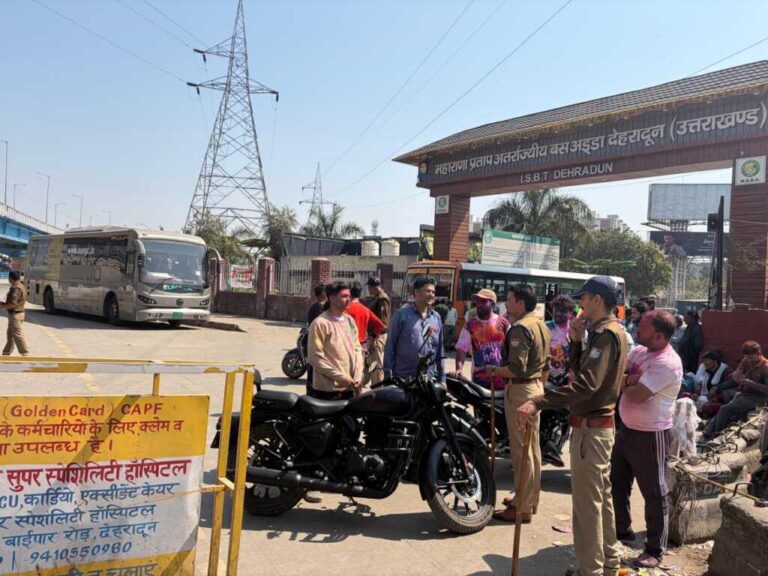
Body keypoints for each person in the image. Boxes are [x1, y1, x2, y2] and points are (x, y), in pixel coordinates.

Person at [517, 275, 628, 576]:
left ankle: (589, 570)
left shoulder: (606, 334)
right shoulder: (605, 332)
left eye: (584, 299)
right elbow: (580, 374)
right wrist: (577, 343)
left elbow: (586, 385)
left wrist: (539, 401)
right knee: (601, 500)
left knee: (587, 507)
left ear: (597, 300)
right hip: (596, 427)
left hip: (592, 429)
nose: (580, 306)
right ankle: (609, 562)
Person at [611, 310, 682, 568]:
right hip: (627, 430)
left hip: (652, 434)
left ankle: (654, 548)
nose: (637, 328)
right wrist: (629, 379)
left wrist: (624, 382)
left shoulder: (667, 363)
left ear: (659, 335)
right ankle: (622, 530)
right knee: (617, 482)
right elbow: (617, 373)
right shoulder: (641, 351)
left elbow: (638, 395)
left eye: (643, 326)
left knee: (654, 491)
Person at [487, 284, 550, 524]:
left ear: (521, 303)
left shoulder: (520, 329)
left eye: (510, 299)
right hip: (536, 388)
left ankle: (520, 508)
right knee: (532, 450)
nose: (506, 303)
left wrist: (494, 370)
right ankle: (529, 502)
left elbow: (516, 368)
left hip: (521, 390)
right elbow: (545, 366)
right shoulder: (541, 325)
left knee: (521, 453)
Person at [307, 281, 364, 400]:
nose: (348, 299)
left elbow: (357, 349)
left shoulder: (350, 321)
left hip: (351, 388)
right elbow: (315, 357)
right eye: (344, 296)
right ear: (332, 298)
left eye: (349, 296)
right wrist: (342, 378)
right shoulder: (320, 323)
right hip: (328, 390)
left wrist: (358, 376)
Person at [384, 276, 445, 384]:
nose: (431, 294)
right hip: (403, 380)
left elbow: (440, 350)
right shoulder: (402, 315)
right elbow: (390, 346)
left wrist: (442, 379)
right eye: (428, 291)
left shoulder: (436, 318)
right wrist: (388, 377)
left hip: (428, 380)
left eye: (433, 292)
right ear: (416, 292)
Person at [703, 341, 768, 439]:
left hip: (758, 399)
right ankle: (709, 431)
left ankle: (716, 436)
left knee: (725, 409)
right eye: (747, 357)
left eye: (751, 358)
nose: (749, 360)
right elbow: (737, 372)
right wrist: (737, 376)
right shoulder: (746, 360)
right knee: (725, 404)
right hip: (744, 393)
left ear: (759, 354)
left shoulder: (765, 368)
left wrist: (751, 383)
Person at [450, 289, 510, 389]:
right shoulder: (470, 325)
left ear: (493, 304)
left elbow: (512, 349)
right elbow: (461, 349)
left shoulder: (503, 323)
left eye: (483, 301)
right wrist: (459, 369)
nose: (479, 304)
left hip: (502, 379)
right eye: (477, 301)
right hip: (479, 380)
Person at [366, 276, 391, 386]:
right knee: (372, 365)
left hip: (378, 336)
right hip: (374, 336)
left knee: (377, 367)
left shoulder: (382, 299)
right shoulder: (376, 298)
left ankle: (379, 391)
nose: (368, 290)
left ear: (373, 287)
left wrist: (372, 338)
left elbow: (382, 323)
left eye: (369, 287)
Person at [546, 295, 575, 381]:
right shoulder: (545, 328)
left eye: (562, 311)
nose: (558, 314)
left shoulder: (575, 330)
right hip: (546, 378)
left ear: (570, 313)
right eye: (556, 310)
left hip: (568, 380)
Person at [305, 284, 328, 395]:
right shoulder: (320, 308)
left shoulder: (315, 307)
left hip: (313, 342)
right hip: (318, 343)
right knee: (315, 370)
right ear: (323, 294)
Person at [1, 271, 30, 356]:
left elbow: (13, 304)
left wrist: (2, 306)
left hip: (15, 315)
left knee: (18, 335)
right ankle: (6, 353)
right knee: (10, 335)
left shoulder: (16, 288)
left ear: (10, 278)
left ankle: (25, 354)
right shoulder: (19, 286)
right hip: (16, 314)